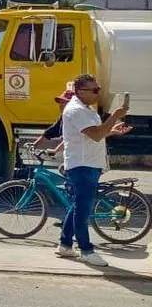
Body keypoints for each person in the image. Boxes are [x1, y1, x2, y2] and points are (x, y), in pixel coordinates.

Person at [56, 74, 131, 266]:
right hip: (82, 165)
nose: (98, 93)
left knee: (78, 206)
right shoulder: (75, 110)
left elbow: (93, 134)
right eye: (95, 90)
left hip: (87, 164)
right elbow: (96, 135)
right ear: (80, 91)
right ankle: (86, 250)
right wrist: (114, 116)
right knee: (83, 209)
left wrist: (112, 130)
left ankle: (65, 244)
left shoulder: (84, 109)